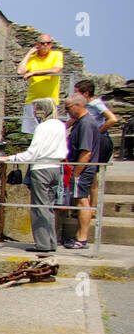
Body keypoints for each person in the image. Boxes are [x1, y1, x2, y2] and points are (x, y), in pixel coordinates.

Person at [3, 100, 68, 252]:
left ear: (41, 110)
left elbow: (32, 153)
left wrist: (10, 158)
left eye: (35, 110)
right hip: (56, 168)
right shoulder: (60, 125)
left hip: (41, 168)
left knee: (39, 207)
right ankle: (51, 242)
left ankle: (43, 245)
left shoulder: (42, 127)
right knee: (49, 207)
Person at [63, 92, 102, 249]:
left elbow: (86, 152)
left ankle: (82, 238)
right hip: (82, 168)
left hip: (83, 169)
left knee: (81, 200)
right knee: (80, 199)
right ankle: (80, 235)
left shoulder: (86, 123)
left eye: (68, 108)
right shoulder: (81, 121)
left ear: (78, 105)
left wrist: (76, 173)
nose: (67, 111)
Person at [17, 34, 63, 132]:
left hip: (50, 101)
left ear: (51, 44)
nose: (46, 45)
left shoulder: (56, 55)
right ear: (37, 45)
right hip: (32, 101)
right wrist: (29, 53)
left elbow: (56, 69)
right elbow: (20, 71)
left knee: (49, 131)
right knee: (33, 132)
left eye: (48, 43)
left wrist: (34, 73)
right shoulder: (32, 59)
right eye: (42, 43)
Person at [75, 80, 117, 165]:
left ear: (86, 94)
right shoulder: (84, 105)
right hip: (89, 139)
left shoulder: (95, 104)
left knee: (94, 167)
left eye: (77, 93)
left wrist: (99, 131)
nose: (75, 96)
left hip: (100, 140)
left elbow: (112, 119)